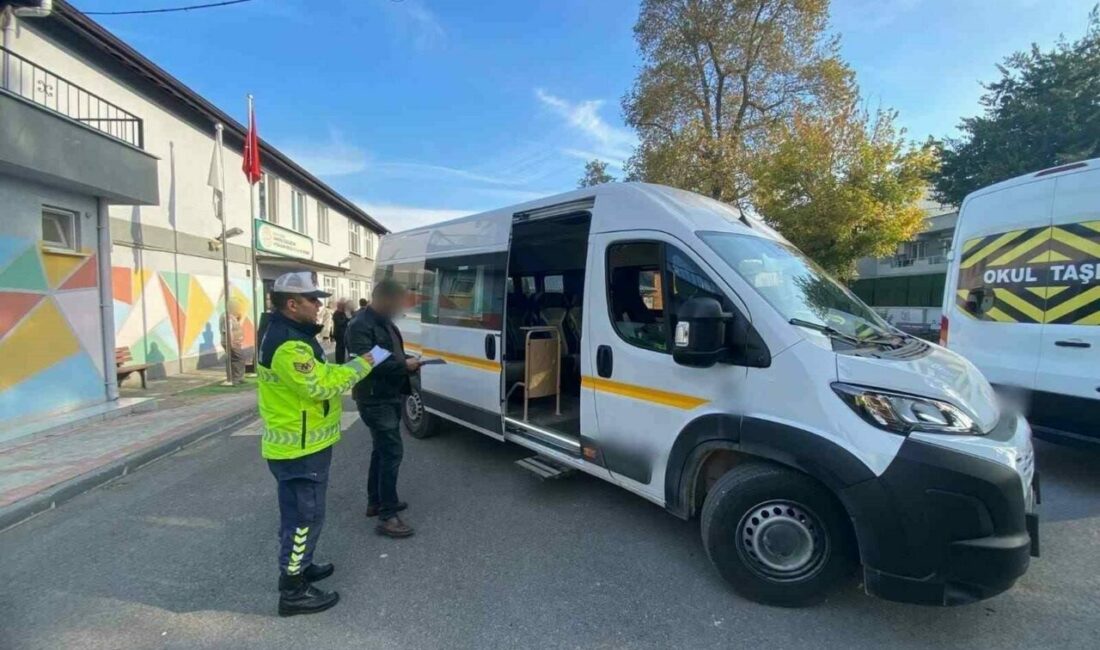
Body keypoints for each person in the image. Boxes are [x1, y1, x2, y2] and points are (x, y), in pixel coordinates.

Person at [257, 271, 375, 617]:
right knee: (303, 519)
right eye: (312, 299)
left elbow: (319, 376)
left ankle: (302, 566)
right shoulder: (288, 345)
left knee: (302, 516)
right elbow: (321, 386)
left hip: (303, 444)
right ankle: (293, 590)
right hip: (299, 449)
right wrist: (363, 364)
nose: (319, 305)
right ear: (292, 305)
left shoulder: (289, 333)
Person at [346, 279, 420, 538]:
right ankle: (387, 516)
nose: (400, 307)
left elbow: (387, 353)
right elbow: (365, 364)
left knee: (381, 451)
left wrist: (406, 360)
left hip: (388, 394)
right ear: (384, 299)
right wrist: (404, 365)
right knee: (391, 452)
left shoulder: (383, 321)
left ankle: (376, 502)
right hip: (374, 399)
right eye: (397, 302)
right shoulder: (360, 325)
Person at [220, 300, 245, 384]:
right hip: (232, 342)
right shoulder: (227, 317)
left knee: (235, 359)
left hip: (234, 342)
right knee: (238, 359)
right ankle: (236, 378)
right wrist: (231, 343)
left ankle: (238, 377)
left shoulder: (231, 316)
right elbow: (228, 331)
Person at [331, 299, 351, 364]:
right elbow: (340, 323)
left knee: (343, 348)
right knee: (340, 349)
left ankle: (342, 361)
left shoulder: (343, 313)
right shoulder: (336, 313)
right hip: (339, 334)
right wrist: (347, 318)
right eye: (344, 306)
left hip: (344, 333)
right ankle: (339, 362)